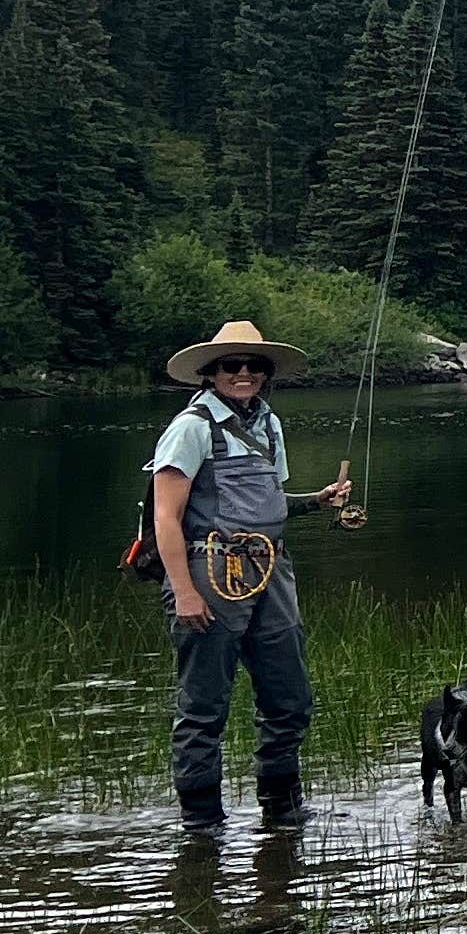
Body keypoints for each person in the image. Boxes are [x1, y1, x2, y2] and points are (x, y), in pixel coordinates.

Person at [148, 318, 349, 829]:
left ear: (266, 373)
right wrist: (185, 591)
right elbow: (165, 516)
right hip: (209, 570)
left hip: (272, 570)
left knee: (290, 697)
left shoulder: (268, 424)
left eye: (254, 366)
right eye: (231, 366)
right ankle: (202, 824)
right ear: (211, 373)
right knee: (204, 708)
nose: (243, 373)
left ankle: (282, 810)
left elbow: (271, 502)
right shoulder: (191, 428)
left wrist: (317, 501)